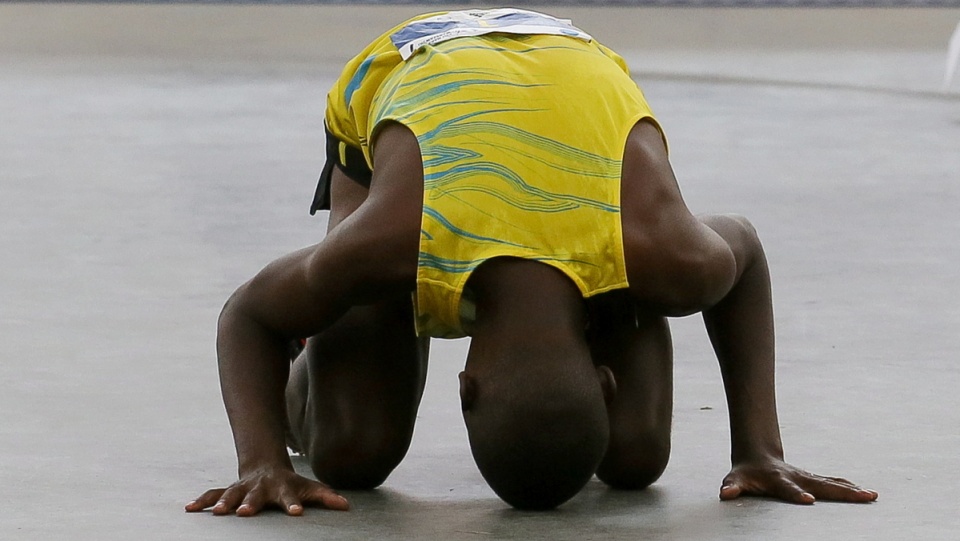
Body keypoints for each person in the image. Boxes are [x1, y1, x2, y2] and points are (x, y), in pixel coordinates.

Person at [185, 9, 878, 516]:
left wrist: (758, 451)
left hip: (565, 63)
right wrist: (264, 459)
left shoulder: (666, 250)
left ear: (466, 386)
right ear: (602, 376)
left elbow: (747, 250)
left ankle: (614, 299)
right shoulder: (389, 241)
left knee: (638, 457)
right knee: (351, 453)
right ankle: (324, 356)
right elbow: (249, 313)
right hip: (416, 64)